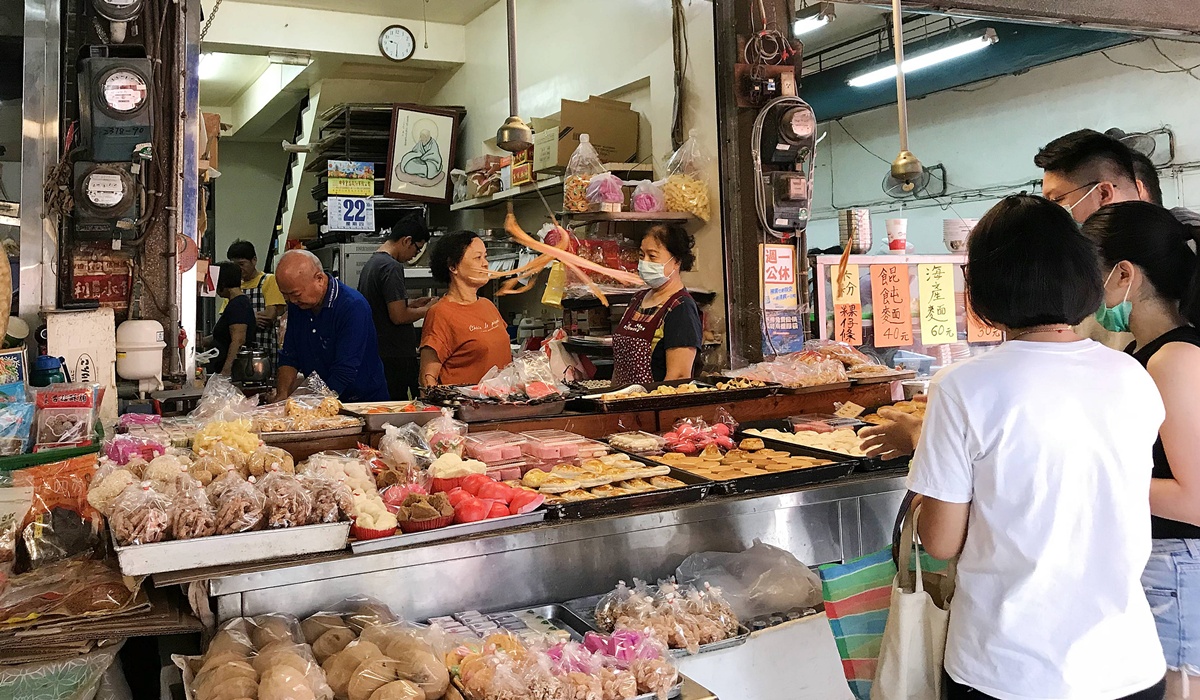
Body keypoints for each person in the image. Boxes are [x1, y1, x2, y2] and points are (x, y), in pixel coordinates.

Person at [909, 195, 1166, 700]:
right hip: (1127, 664)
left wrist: (921, 496)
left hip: (1007, 668)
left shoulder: (963, 386)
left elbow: (940, 542)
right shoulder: (1131, 375)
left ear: (980, 290)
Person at [1085, 202, 1200, 700]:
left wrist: (1093, 474)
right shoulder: (1143, 353)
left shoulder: (1174, 359)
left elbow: (1193, 499)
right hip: (1160, 561)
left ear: (1124, 274)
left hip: (1177, 564)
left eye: (1089, 273)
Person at [273, 249, 388, 402]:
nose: (292, 301)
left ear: (319, 279)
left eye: (295, 294)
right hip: (322, 397)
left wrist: (316, 406)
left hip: (362, 401)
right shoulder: (298, 305)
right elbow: (289, 356)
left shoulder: (352, 306)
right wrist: (282, 396)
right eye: (285, 295)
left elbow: (345, 370)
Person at [357, 215, 436, 400]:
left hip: (380, 351)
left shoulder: (372, 263)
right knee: (400, 405)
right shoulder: (391, 266)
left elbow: (383, 307)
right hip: (394, 355)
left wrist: (414, 303)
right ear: (407, 240)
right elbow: (398, 316)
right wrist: (430, 309)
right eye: (416, 250)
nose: (414, 256)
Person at [611, 224, 703, 385]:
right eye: (641, 255)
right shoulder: (637, 299)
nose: (644, 262)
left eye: (652, 256)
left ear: (676, 261)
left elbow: (679, 377)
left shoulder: (681, 308)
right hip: (623, 402)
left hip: (653, 405)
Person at [419, 231, 512, 387]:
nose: (485, 263)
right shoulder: (440, 313)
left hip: (501, 406)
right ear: (453, 266)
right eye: (478, 258)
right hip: (464, 408)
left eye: (485, 256)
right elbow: (427, 379)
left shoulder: (488, 306)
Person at [225, 240, 287, 360]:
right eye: (235, 265)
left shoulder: (268, 280)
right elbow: (226, 319)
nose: (238, 269)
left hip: (264, 350)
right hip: (239, 352)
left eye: (241, 264)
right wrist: (253, 320)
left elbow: (269, 315)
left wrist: (242, 321)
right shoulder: (234, 287)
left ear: (254, 260)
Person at [204, 261, 256, 376]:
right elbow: (224, 336)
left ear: (222, 283)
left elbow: (238, 340)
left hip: (233, 372)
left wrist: (226, 371)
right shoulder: (235, 303)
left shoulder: (239, 305)